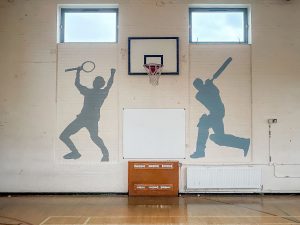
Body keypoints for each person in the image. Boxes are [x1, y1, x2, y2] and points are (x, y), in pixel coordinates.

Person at [190, 63, 250, 158]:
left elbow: (215, 93)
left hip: (218, 112)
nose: (198, 88)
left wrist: (211, 85)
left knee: (203, 123)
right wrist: (209, 86)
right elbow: (204, 96)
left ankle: (200, 151)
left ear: (201, 83)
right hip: (215, 114)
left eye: (199, 85)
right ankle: (243, 143)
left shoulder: (211, 89)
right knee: (219, 139)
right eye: (197, 87)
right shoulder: (199, 95)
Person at [59, 65, 116, 161]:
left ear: (95, 83)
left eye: (95, 81)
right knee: (94, 137)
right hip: (92, 119)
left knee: (64, 136)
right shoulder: (103, 93)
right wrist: (112, 73)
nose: (94, 82)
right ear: (101, 84)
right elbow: (109, 84)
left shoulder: (88, 92)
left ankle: (75, 152)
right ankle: (105, 154)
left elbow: (77, 84)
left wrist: (78, 72)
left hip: (83, 118)